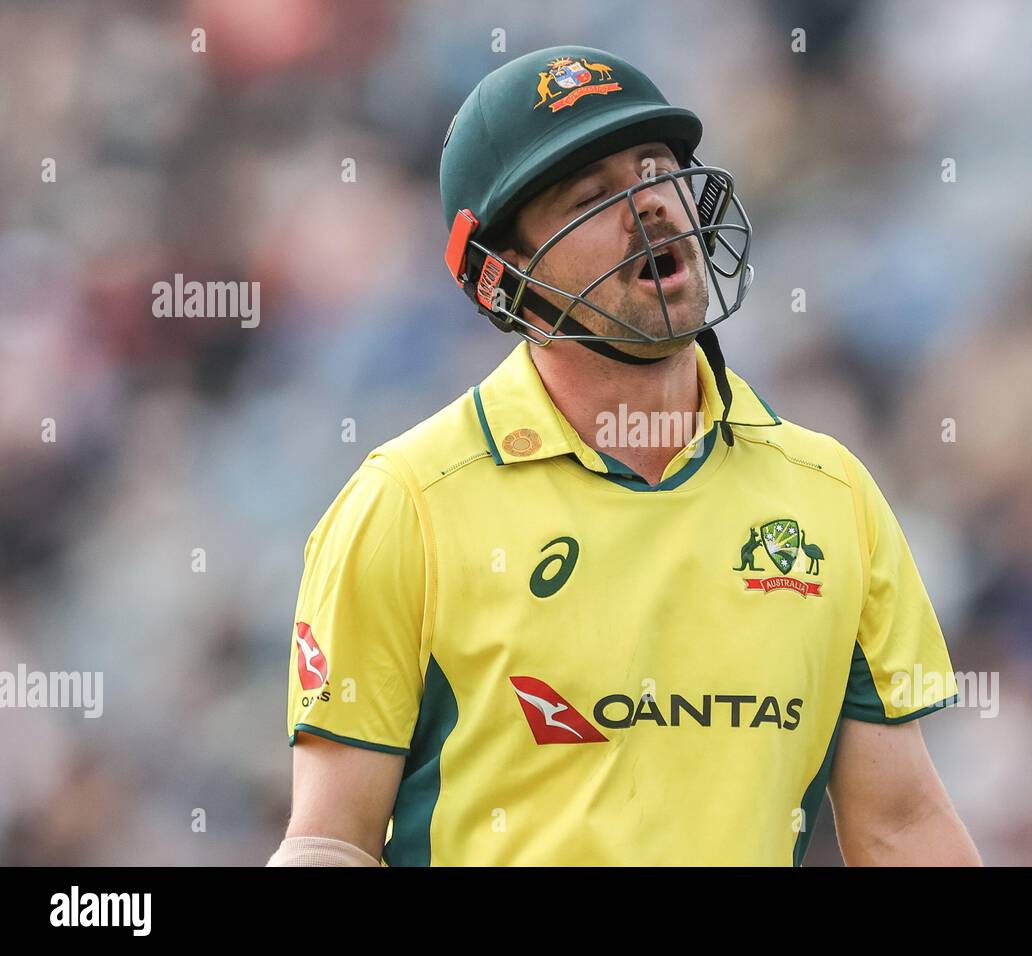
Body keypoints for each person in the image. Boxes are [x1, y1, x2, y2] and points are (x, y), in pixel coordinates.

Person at [269, 45, 980, 866]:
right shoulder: (406, 504)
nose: (648, 206)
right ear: (504, 275)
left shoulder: (828, 494)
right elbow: (329, 841)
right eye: (591, 196)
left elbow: (899, 827)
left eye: (654, 168)